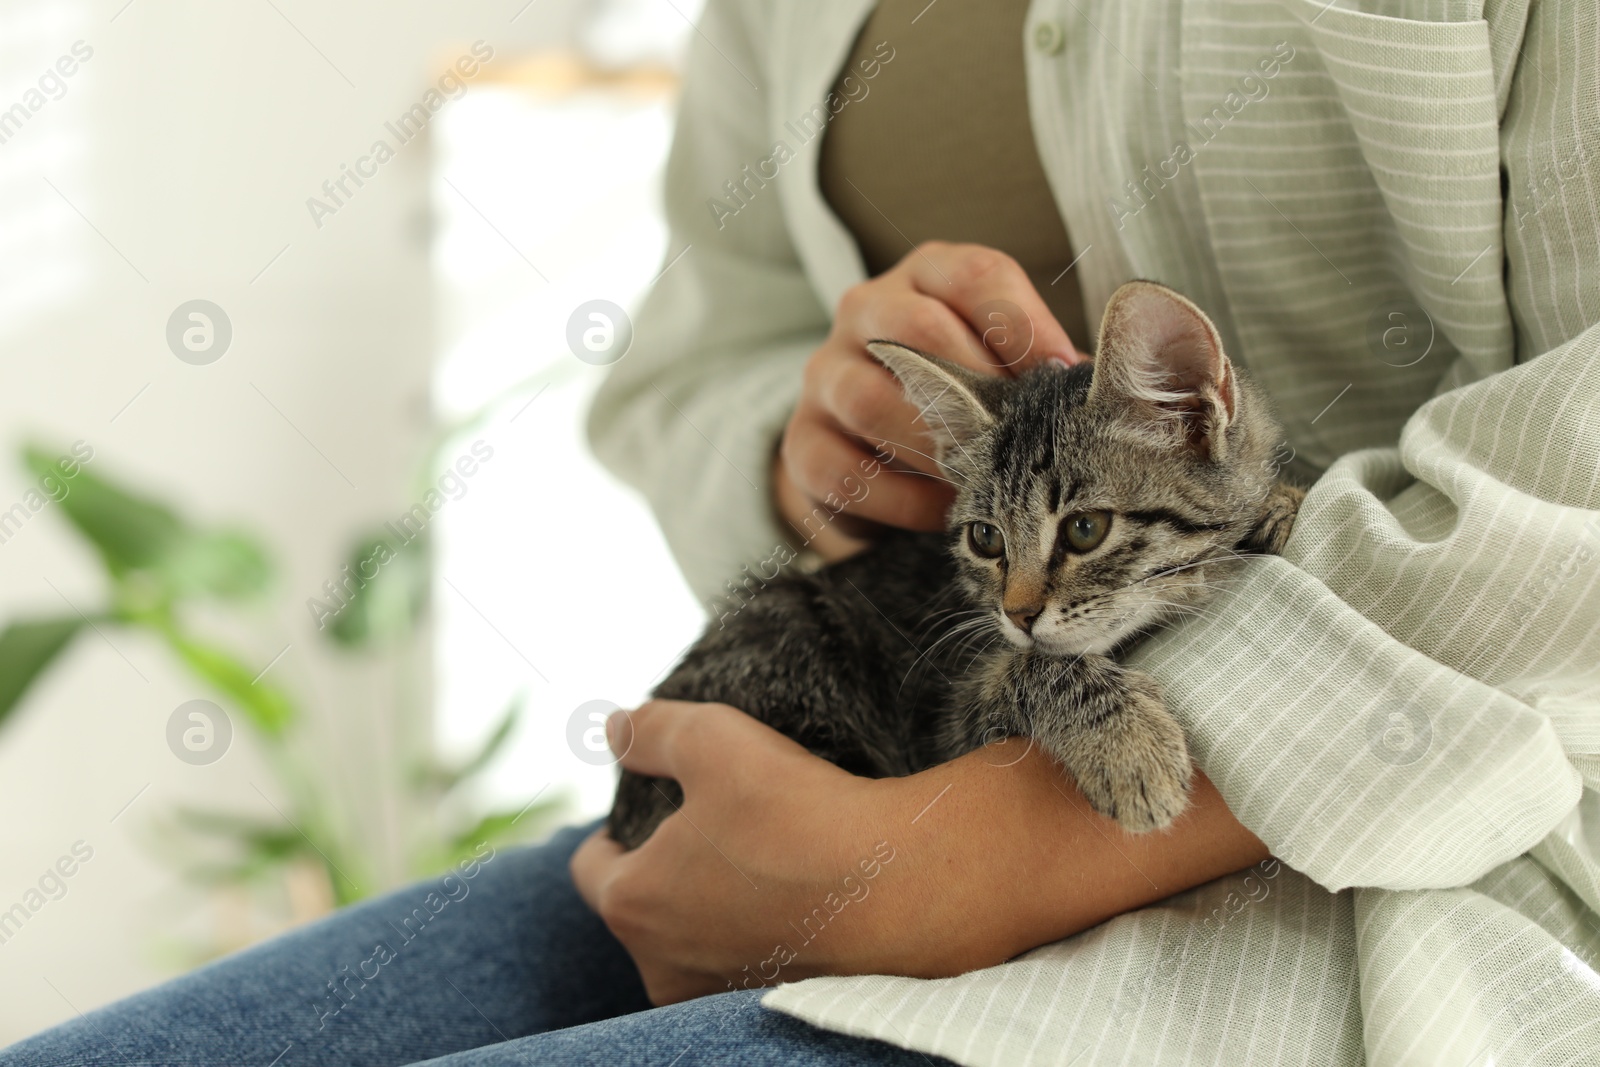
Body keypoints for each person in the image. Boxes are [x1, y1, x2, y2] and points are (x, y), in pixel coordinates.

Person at [7, 0, 1597, 1064]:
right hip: (870, 771)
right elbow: (693, 360)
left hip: (1424, 870)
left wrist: (956, 863)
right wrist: (816, 448)